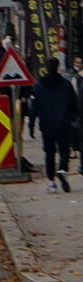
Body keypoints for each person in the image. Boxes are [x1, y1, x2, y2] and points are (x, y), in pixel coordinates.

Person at [29, 57, 76, 193]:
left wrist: (31, 125)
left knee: (49, 153)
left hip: (46, 125)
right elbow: (73, 103)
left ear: (46, 68)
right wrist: (72, 119)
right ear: (57, 67)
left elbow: (34, 107)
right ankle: (62, 170)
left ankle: (51, 183)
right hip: (63, 124)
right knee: (64, 150)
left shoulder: (39, 85)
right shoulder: (66, 84)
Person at [70, 56, 83, 168]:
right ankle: (74, 149)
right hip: (75, 109)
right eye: (76, 62)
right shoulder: (71, 77)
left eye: (80, 63)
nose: (78, 65)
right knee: (74, 129)